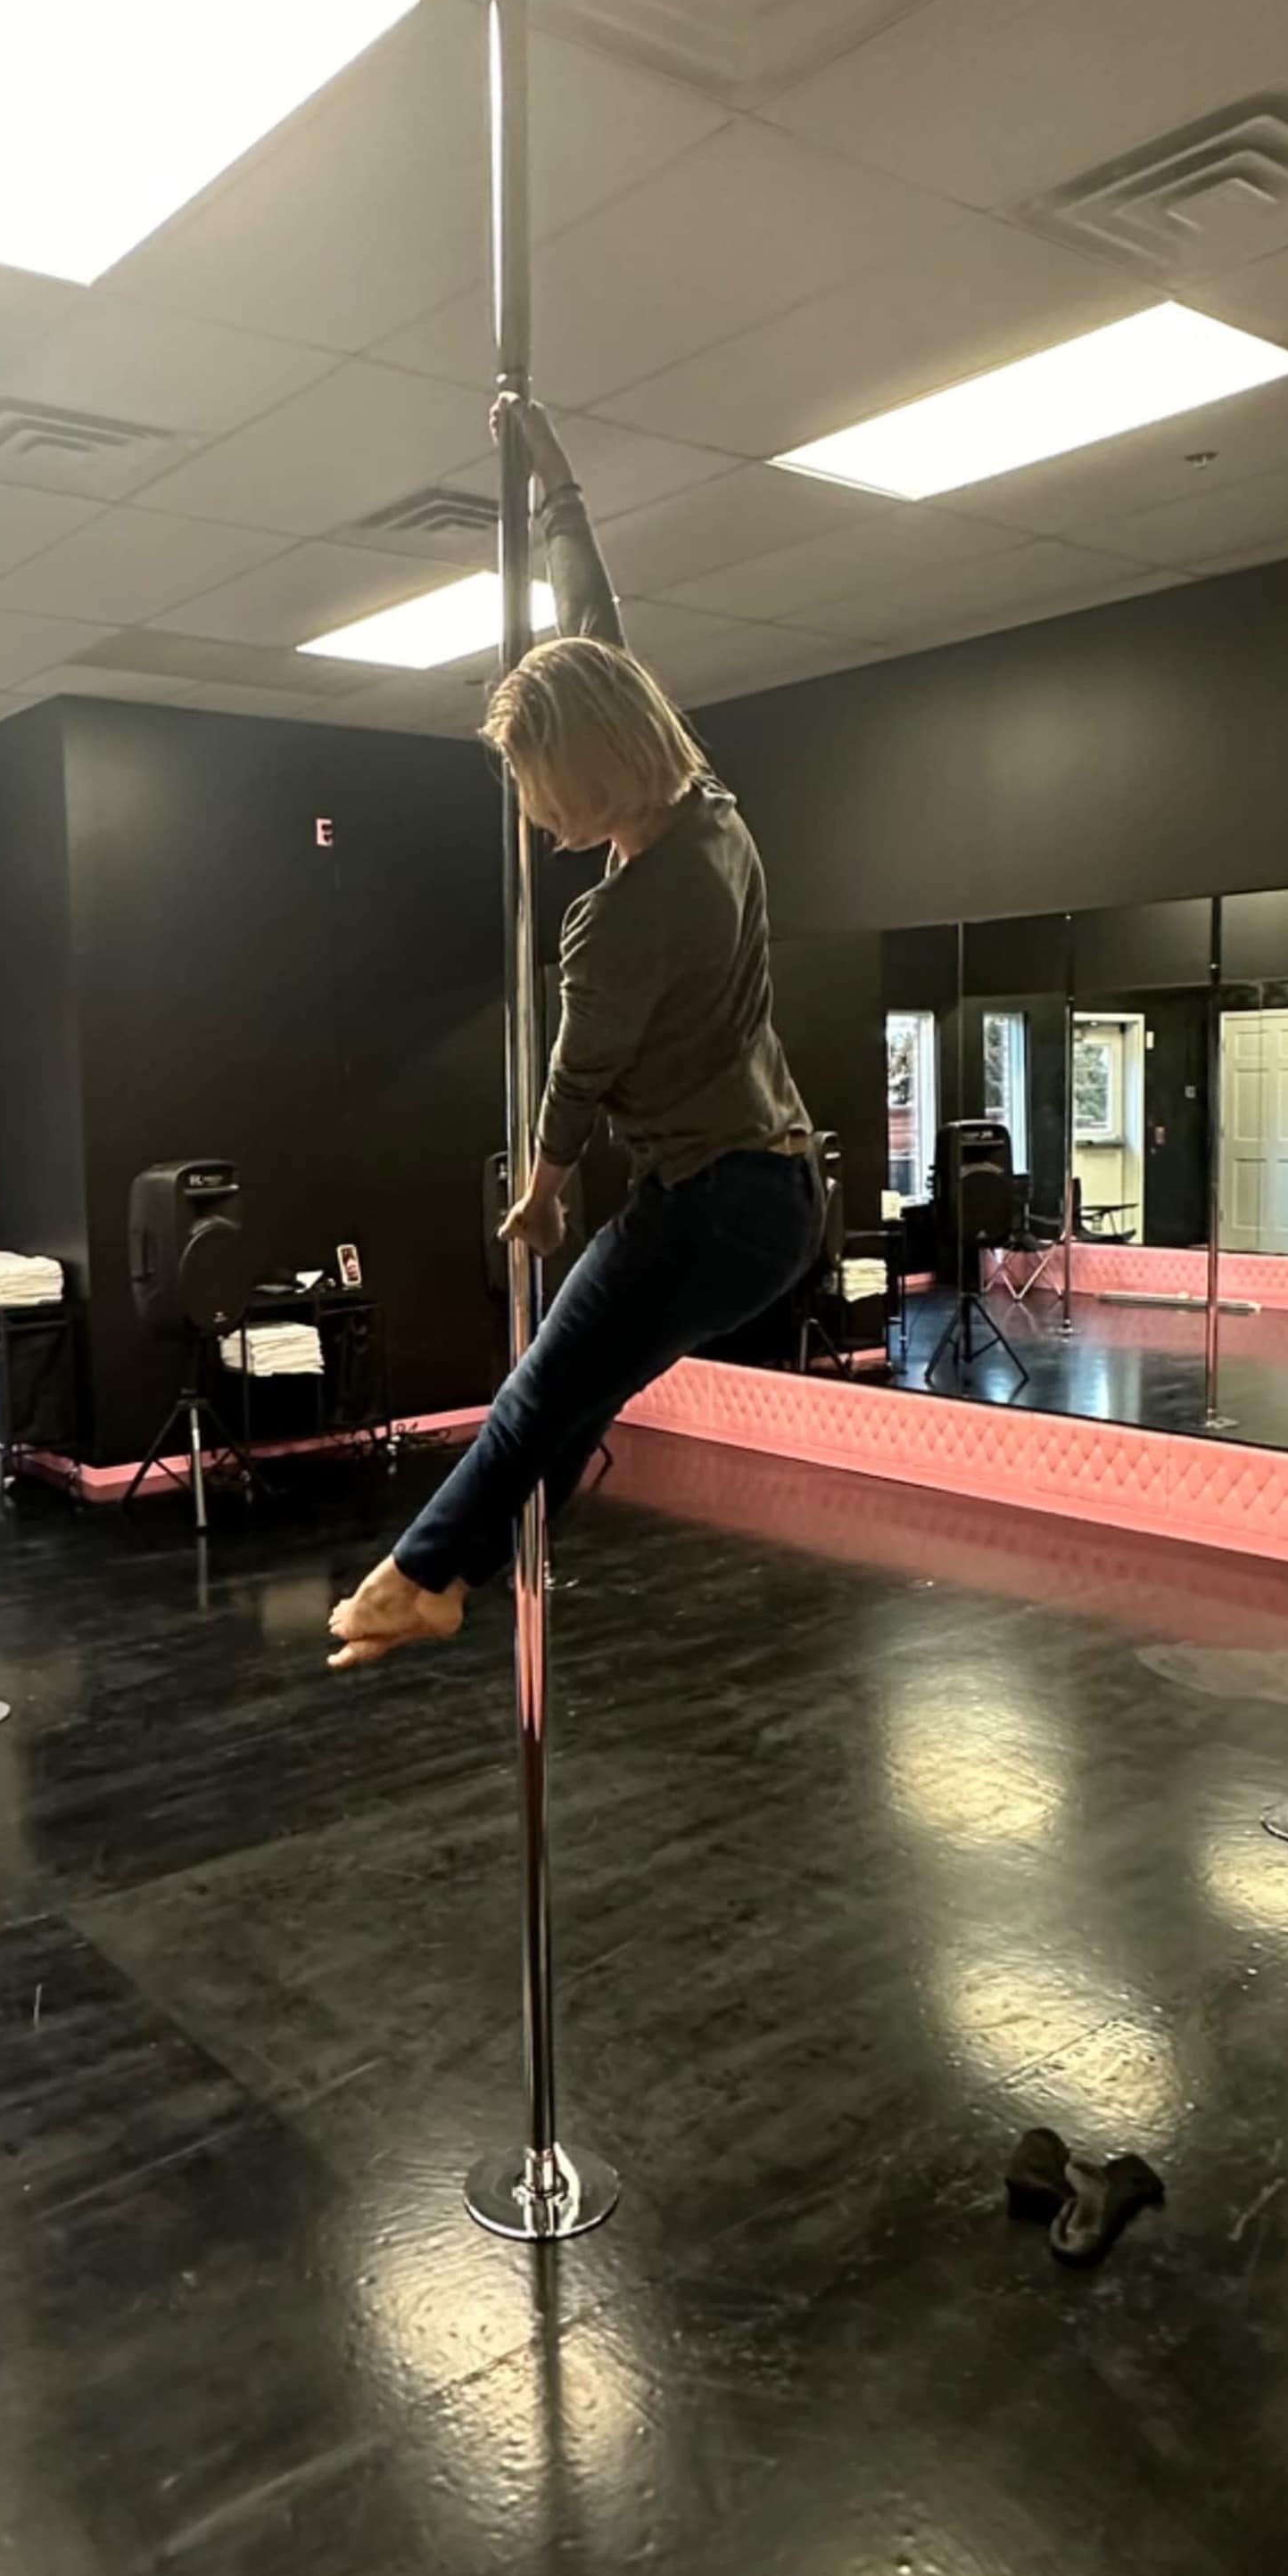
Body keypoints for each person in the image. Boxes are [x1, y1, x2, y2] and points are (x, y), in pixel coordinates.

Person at [327, 409, 819, 1669]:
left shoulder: (622, 918)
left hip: (714, 1199)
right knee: (576, 1393)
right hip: (776, 1190)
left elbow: (576, 1078)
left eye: (547, 794)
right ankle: (460, 1570)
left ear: (594, 776)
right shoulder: (706, 809)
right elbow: (598, 636)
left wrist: (543, 1198)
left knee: (543, 1384)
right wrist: (553, 485)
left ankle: (420, 1570)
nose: (540, 819)